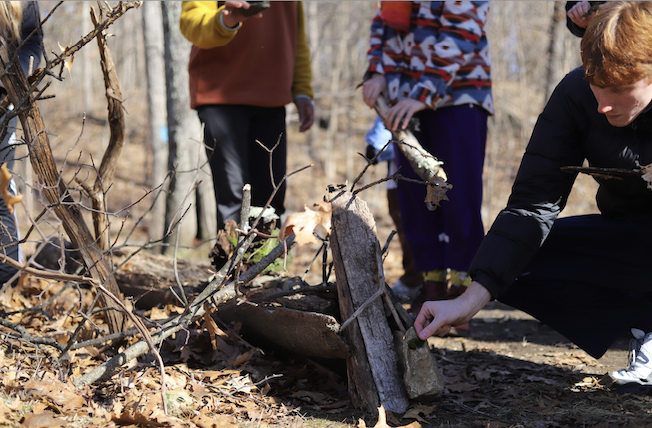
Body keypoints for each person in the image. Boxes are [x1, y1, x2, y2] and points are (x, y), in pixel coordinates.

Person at [415, 1, 652, 394]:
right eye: (597, 86)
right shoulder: (577, 95)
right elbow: (531, 205)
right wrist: (469, 300)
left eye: (619, 89)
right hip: (630, 240)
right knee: (513, 264)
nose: (603, 104)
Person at [361, 1, 493, 330]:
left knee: (458, 194)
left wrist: (424, 92)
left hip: (460, 96)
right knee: (414, 197)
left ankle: (462, 291)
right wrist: (376, 71)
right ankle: (430, 285)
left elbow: (463, 29)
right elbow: (383, 22)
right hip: (404, 101)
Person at [179, 1, 314, 230]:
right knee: (234, 198)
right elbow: (190, 23)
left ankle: (264, 265)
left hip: (272, 97)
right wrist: (225, 20)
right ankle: (232, 264)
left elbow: (295, 32)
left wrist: (302, 89)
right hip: (220, 95)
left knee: (271, 200)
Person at [0, 1, 42, 286]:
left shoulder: (21, 2)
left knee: (2, 189)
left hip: (2, 103)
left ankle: (7, 276)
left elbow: (32, 43)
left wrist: (11, 75)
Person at [365, 116, 423, 301]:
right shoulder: (392, 91)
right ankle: (415, 279)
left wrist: (378, 146)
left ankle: (419, 281)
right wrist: (377, 146)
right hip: (398, 172)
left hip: (418, 167)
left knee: (415, 223)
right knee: (404, 222)